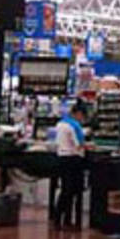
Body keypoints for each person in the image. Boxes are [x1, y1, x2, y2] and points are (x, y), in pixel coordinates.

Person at [53, 99, 89, 230]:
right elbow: (80, 144)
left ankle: (60, 219)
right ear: (78, 113)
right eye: (82, 116)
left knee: (66, 190)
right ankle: (66, 220)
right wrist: (89, 145)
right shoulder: (74, 126)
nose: (82, 119)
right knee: (72, 191)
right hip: (73, 160)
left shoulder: (60, 124)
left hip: (61, 158)